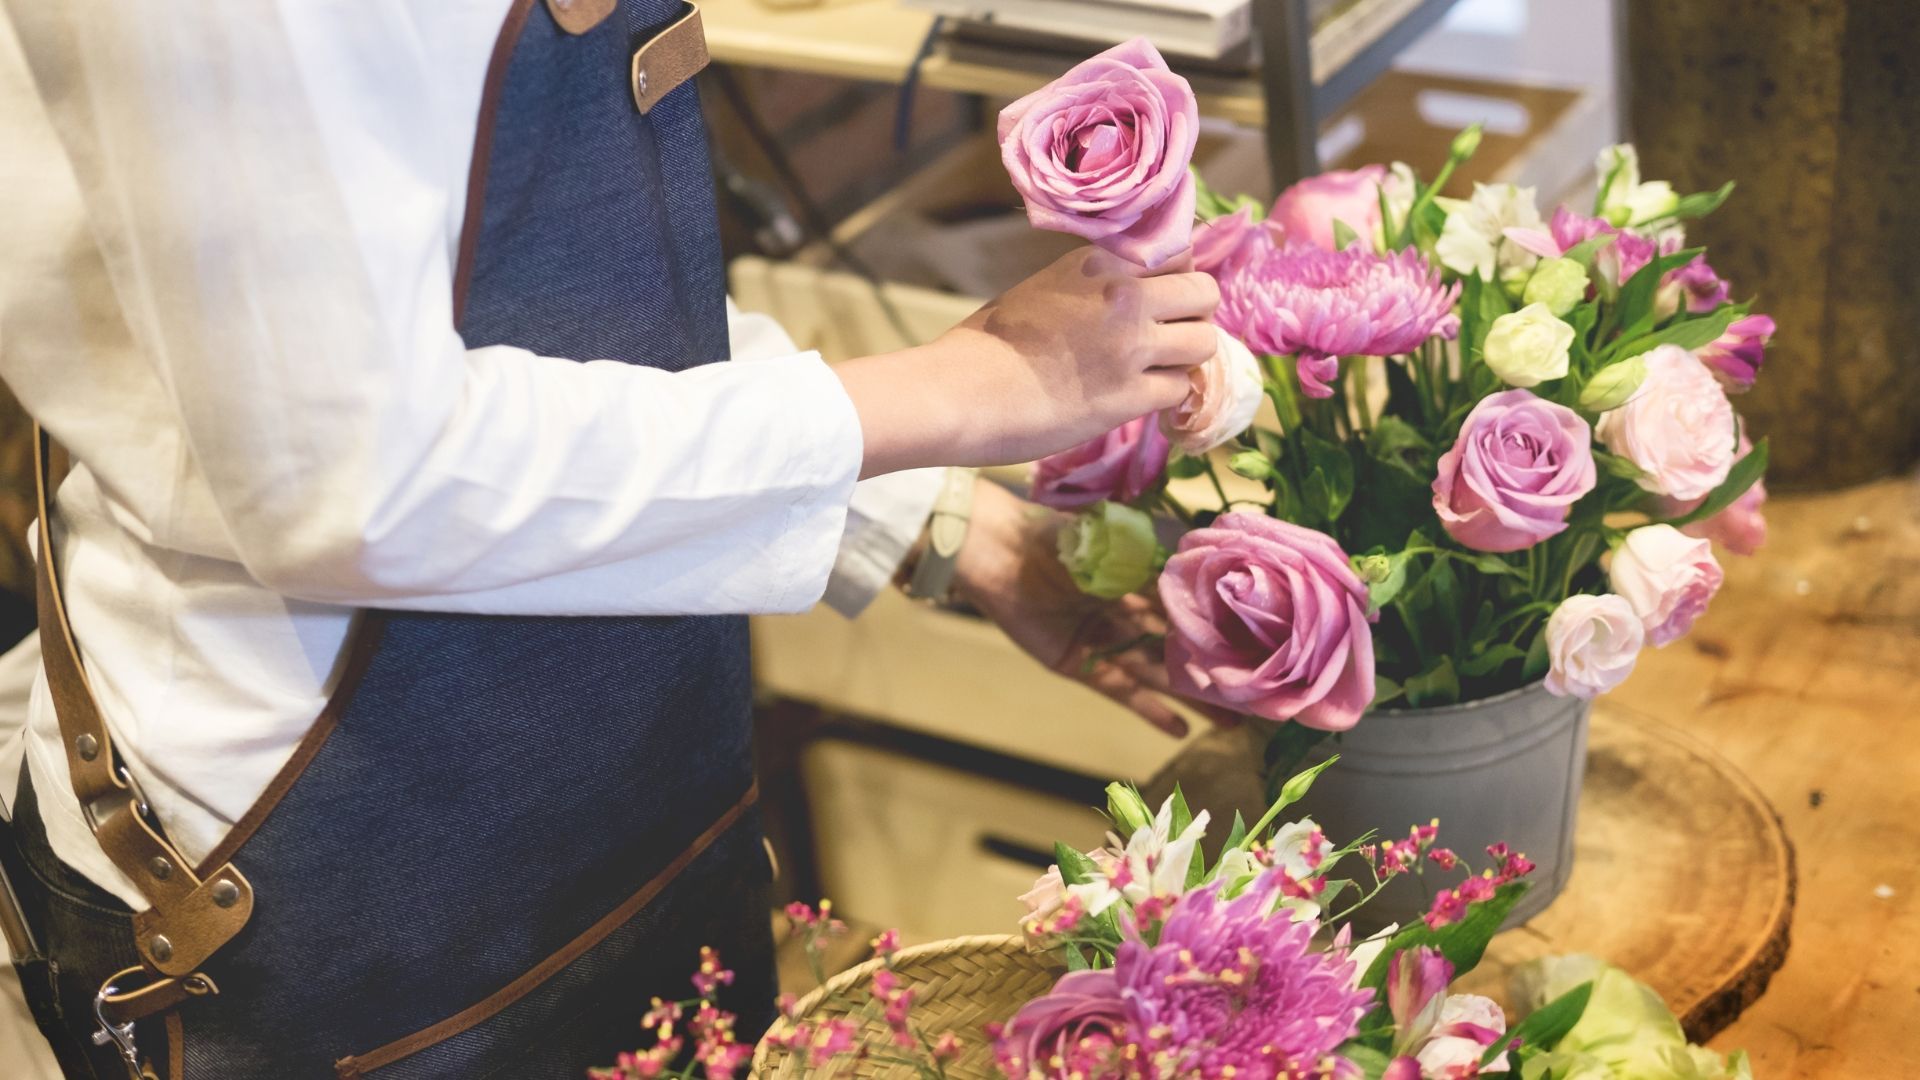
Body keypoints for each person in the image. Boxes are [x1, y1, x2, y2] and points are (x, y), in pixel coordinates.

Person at [0, 2, 1220, 1076]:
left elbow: (540, 305)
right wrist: (969, 391)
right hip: (311, 852)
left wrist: (941, 519)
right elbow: (360, 477)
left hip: (626, 768)